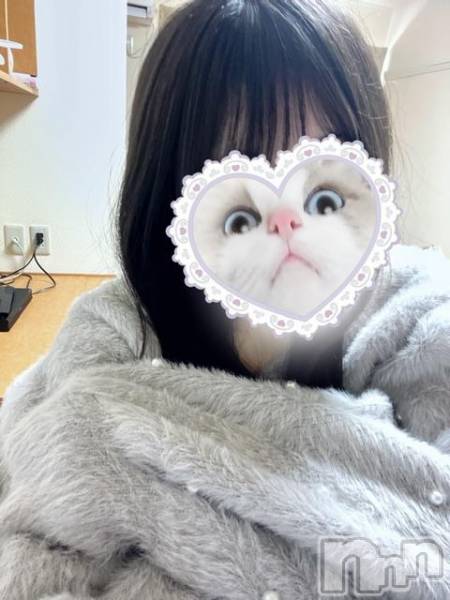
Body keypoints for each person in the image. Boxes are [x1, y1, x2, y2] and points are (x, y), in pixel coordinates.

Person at [1, 1, 450, 598]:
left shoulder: (418, 315)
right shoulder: (112, 329)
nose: (286, 221)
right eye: (239, 186)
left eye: (323, 186)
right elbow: (36, 545)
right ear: (170, 193)